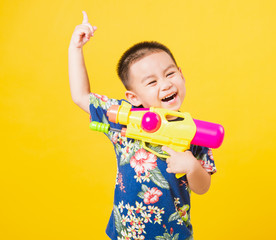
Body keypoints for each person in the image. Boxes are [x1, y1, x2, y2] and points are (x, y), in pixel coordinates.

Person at [69, 11, 216, 240]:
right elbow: (80, 96)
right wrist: (75, 49)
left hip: (174, 235)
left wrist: (191, 166)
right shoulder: (124, 116)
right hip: (125, 233)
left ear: (181, 75)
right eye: (152, 82)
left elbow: (203, 186)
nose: (166, 84)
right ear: (134, 97)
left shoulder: (195, 132)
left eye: (170, 74)